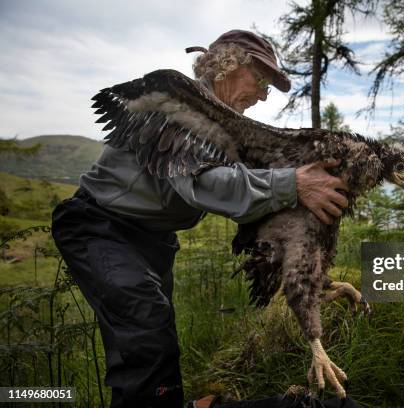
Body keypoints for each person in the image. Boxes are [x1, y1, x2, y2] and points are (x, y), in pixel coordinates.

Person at [51, 30, 349, 408]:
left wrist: (309, 265)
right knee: (147, 331)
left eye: (268, 88)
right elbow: (205, 184)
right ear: (227, 64)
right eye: (259, 79)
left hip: (154, 240)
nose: (262, 94)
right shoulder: (181, 106)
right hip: (101, 227)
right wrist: (293, 183)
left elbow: (250, 195)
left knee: (149, 342)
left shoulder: (226, 130)